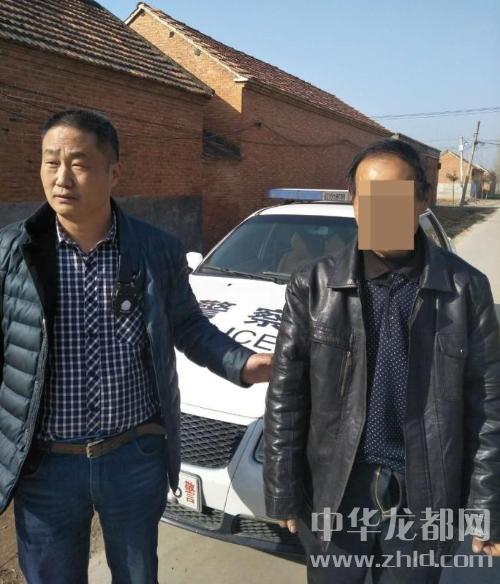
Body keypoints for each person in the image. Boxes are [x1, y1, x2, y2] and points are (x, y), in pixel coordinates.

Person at [0, 109, 272, 584]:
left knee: (138, 575)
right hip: (44, 466)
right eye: (50, 162)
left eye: (79, 163)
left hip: (131, 457)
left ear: (114, 173)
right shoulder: (11, 253)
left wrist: (246, 364)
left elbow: (188, 326)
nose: (62, 178)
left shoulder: (154, 249)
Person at [263, 139, 500, 583]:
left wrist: (486, 506)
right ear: (353, 201)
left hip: (422, 494)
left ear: (423, 199)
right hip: (336, 490)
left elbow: (488, 405)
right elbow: (285, 398)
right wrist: (282, 488)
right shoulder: (313, 286)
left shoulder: (466, 290)